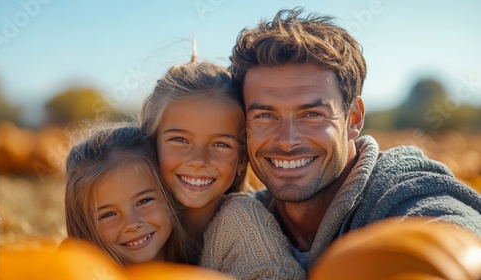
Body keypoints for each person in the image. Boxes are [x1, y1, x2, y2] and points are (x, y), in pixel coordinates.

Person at [229, 7, 481, 274]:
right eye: (265, 116)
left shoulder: (398, 192)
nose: (287, 141)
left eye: (312, 114)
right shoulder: (236, 220)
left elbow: (454, 234)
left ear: (354, 119)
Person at [141, 59, 305, 279]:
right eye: (179, 139)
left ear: (241, 159)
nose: (199, 160)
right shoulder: (129, 214)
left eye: (221, 144)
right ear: (152, 144)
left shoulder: (243, 224)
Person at [64, 125, 189, 267]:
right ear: (83, 226)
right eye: (108, 214)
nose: (132, 224)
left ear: (170, 195)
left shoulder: (205, 262)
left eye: (144, 201)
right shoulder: (71, 270)